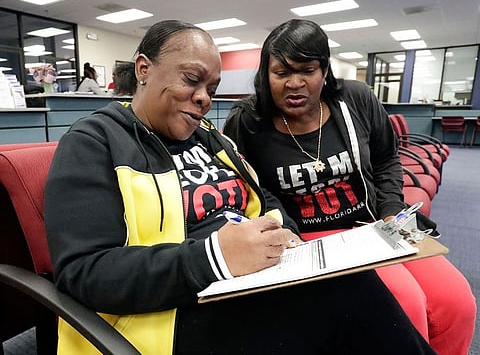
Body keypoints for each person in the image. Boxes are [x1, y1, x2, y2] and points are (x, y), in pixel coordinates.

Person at [45, 20, 436, 354]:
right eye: (191, 80)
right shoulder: (94, 140)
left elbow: (262, 195)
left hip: (244, 283)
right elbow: (83, 272)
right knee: (351, 299)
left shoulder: (209, 136)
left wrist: (288, 238)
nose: (202, 98)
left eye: (211, 88)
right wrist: (215, 257)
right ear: (144, 68)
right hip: (168, 314)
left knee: (348, 290)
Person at [223, 19, 476, 355]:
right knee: (406, 305)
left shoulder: (355, 99)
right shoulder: (248, 121)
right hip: (307, 239)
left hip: (373, 225)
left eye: (307, 70)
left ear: (324, 71)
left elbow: (387, 158)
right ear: (265, 75)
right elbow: (247, 187)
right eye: (281, 73)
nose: (295, 83)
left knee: (457, 302)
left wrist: (390, 211)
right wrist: (284, 229)